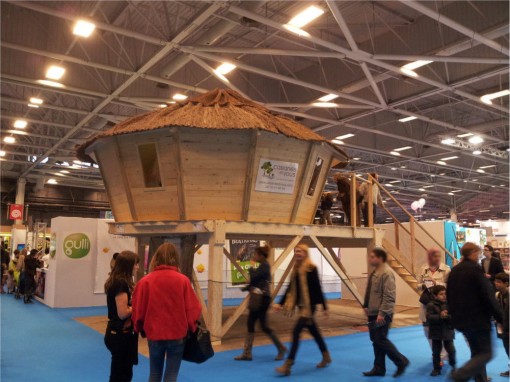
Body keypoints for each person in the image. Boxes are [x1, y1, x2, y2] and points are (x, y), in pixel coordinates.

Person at [132, 243, 201, 382]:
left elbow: (138, 310)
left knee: (154, 374)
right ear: (176, 258)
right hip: (177, 335)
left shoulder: (145, 282)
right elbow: (193, 309)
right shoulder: (183, 281)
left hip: (154, 334)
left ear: (155, 258)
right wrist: (192, 328)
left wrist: (138, 328)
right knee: (171, 376)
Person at [448, 242, 503, 382]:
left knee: (476, 353)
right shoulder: (475, 270)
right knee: (486, 353)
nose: (479, 255)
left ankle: (479, 379)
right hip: (477, 320)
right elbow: (488, 296)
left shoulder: (454, 271)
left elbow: (450, 296)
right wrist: (502, 318)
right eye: (478, 253)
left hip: (461, 321)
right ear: (473, 253)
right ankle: (460, 375)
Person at [274, 244, 330, 376]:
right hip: (301, 306)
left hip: (310, 307)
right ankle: (326, 356)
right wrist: (280, 304)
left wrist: (325, 307)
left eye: (300, 251)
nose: (297, 253)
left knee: (295, 332)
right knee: (314, 332)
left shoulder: (311, 268)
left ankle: (288, 364)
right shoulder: (296, 269)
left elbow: (317, 288)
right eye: (295, 251)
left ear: (305, 253)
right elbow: (290, 288)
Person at [362, 248, 409, 378]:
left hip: (382, 313)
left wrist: (382, 314)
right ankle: (379, 368)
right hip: (373, 312)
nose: (370, 259)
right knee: (375, 340)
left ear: (380, 258)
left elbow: (389, 296)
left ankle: (401, 361)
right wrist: (366, 305)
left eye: (372, 257)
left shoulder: (387, 273)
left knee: (380, 339)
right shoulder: (374, 272)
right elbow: (370, 291)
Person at [234, 245, 286, 361]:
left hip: (262, 300)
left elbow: (254, 277)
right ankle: (249, 352)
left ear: (261, 256)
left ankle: (249, 353)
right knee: (258, 325)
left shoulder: (265, 266)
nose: (254, 256)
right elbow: (256, 282)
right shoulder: (263, 266)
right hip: (261, 298)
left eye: (256, 254)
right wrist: (246, 288)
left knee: (258, 324)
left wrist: (251, 266)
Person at [104, 251, 139, 382]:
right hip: (119, 335)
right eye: (136, 264)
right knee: (121, 374)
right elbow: (123, 312)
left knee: (122, 372)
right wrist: (137, 306)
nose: (137, 267)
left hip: (119, 334)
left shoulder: (119, 281)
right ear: (128, 265)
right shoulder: (120, 283)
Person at [417, 248, 451, 347]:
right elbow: (417, 285)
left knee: (443, 329)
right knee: (427, 329)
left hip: (441, 304)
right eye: (434, 256)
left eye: (438, 256)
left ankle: (443, 354)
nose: (437, 258)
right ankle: (435, 351)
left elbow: (450, 285)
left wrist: (436, 283)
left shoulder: (446, 269)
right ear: (429, 257)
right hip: (427, 303)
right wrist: (424, 285)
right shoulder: (423, 268)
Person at [426, 285, 456, 376]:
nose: (444, 296)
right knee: (436, 352)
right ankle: (436, 368)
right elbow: (429, 318)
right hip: (436, 332)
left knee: (451, 351)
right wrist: (440, 316)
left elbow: (454, 317)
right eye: (441, 294)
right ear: (435, 296)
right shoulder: (431, 305)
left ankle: (453, 366)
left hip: (448, 330)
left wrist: (447, 316)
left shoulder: (450, 304)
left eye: (445, 294)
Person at [494, 272, 509, 377]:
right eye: (495, 281)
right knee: (507, 348)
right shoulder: (497, 295)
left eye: (499, 282)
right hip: (503, 327)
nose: (496, 284)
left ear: (506, 283)